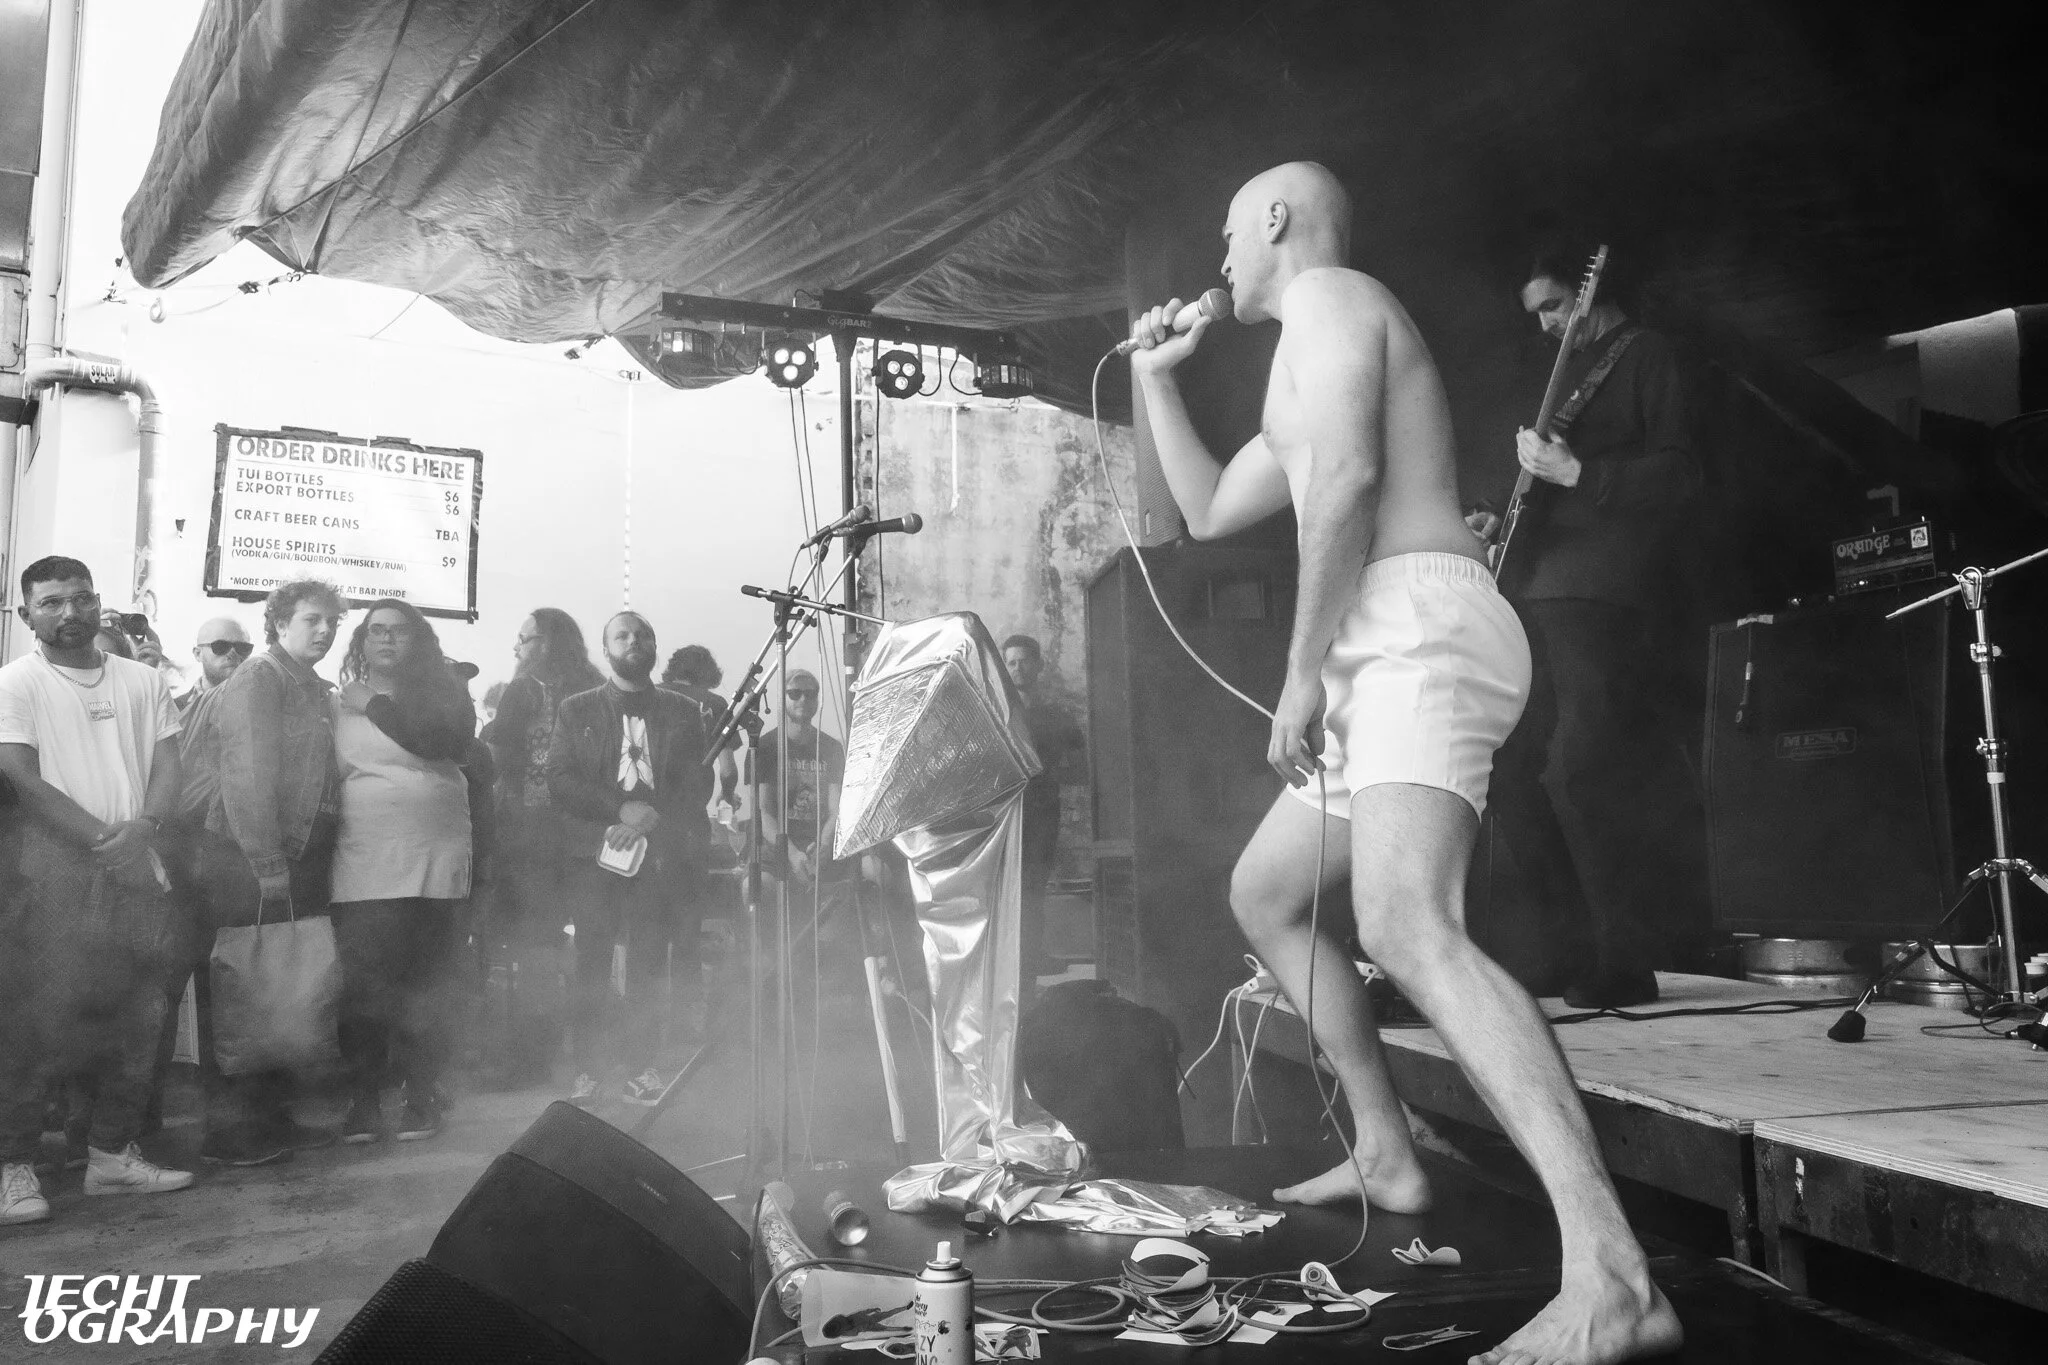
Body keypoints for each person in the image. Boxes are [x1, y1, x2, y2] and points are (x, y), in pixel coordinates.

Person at [1126, 162, 1680, 1364]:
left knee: (1405, 923)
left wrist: (1298, 673)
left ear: (1275, 220)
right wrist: (1152, 380)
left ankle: (1613, 1276)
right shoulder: (1301, 351)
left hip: (1412, 626)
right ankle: (1385, 1150)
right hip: (1379, 638)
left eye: (1227, 234)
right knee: (1267, 895)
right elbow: (1210, 507)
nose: (1218, 260)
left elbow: (1348, 484)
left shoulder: (1331, 297)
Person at [1466, 244, 1704, 1010]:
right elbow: (1539, 483)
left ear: (1592, 288)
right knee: (1506, 768)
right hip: (1535, 587)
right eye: (1536, 311)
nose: (1546, 324)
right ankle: (1565, 947)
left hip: (1602, 593)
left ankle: (1627, 956)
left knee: (1591, 771)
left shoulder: (1648, 355)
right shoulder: (1568, 373)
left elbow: (1684, 474)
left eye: (1555, 305)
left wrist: (1580, 474)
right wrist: (1497, 514)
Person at [0, 556, 193, 1226]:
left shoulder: (143, 679)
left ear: (97, 601)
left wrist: (147, 827)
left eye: (81, 598)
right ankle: (12, 1167)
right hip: (52, 869)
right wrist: (106, 841)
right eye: (51, 602)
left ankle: (111, 1155)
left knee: (139, 1014)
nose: (69, 612)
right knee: (38, 1021)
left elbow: (169, 763)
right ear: (27, 614)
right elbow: (21, 777)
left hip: (139, 866)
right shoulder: (15, 682)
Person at [178, 579, 348, 1165]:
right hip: (247, 857)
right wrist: (267, 863)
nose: (324, 630)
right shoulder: (260, 678)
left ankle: (271, 1120)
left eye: (332, 622)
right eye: (311, 619)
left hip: (290, 855)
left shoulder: (309, 685)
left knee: (283, 986)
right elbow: (246, 776)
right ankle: (231, 1132)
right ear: (278, 624)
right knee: (243, 985)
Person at [548, 612, 713, 1107]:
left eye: (643, 635)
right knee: (592, 961)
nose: (634, 641)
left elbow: (698, 781)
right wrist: (618, 811)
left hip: (657, 855)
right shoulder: (576, 709)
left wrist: (650, 818)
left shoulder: (683, 711)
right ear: (606, 650)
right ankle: (589, 1069)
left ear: (656, 647)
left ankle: (642, 1067)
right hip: (593, 852)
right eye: (622, 635)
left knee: (648, 960)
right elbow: (560, 778)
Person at [329, 600, 475, 1144]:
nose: (386, 639)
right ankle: (363, 1101)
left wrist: (374, 705)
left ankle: (422, 1095)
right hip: (365, 858)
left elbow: (445, 745)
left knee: (428, 983)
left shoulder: (445, 692)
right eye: (376, 631)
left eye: (399, 631)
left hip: (437, 856)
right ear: (362, 642)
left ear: (419, 640)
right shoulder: (337, 701)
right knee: (366, 985)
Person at [481, 608, 603, 1085]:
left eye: (524, 638)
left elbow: (498, 761)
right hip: (591, 835)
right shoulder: (597, 689)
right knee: (591, 944)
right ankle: (596, 1053)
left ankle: (533, 1058)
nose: (517, 647)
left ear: (546, 643)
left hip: (532, 838)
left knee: (535, 947)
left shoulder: (524, 689)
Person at [1001, 634, 1086, 986]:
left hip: (1042, 814)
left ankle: (1033, 954)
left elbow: (1080, 762)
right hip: (1005, 816)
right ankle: (1011, 960)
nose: (1018, 669)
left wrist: (1054, 777)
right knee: (1009, 889)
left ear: (1038, 665)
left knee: (1035, 886)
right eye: (1011, 663)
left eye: (1024, 661)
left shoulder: (1055, 717)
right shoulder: (998, 715)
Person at [750, 669, 845, 891]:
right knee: (754, 887)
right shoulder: (764, 747)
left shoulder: (831, 747)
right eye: (795, 693)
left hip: (821, 842)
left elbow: (836, 810)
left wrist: (824, 845)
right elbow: (763, 812)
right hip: (776, 844)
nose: (803, 699)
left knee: (871, 874)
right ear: (782, 698)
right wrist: (792, 854)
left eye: (810, 694)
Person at [661, 643, 742, 813]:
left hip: (646, 808)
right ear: (709, 673)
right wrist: (727, 796)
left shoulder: (651, 695)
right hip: (692, 808)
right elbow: (728, 771)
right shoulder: (716, 704)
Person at [182, 618, 254, 713]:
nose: (232, 654)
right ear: (198, 654)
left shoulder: (265, 706)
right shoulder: (173, 710)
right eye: (221, 646)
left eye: (242, 647)